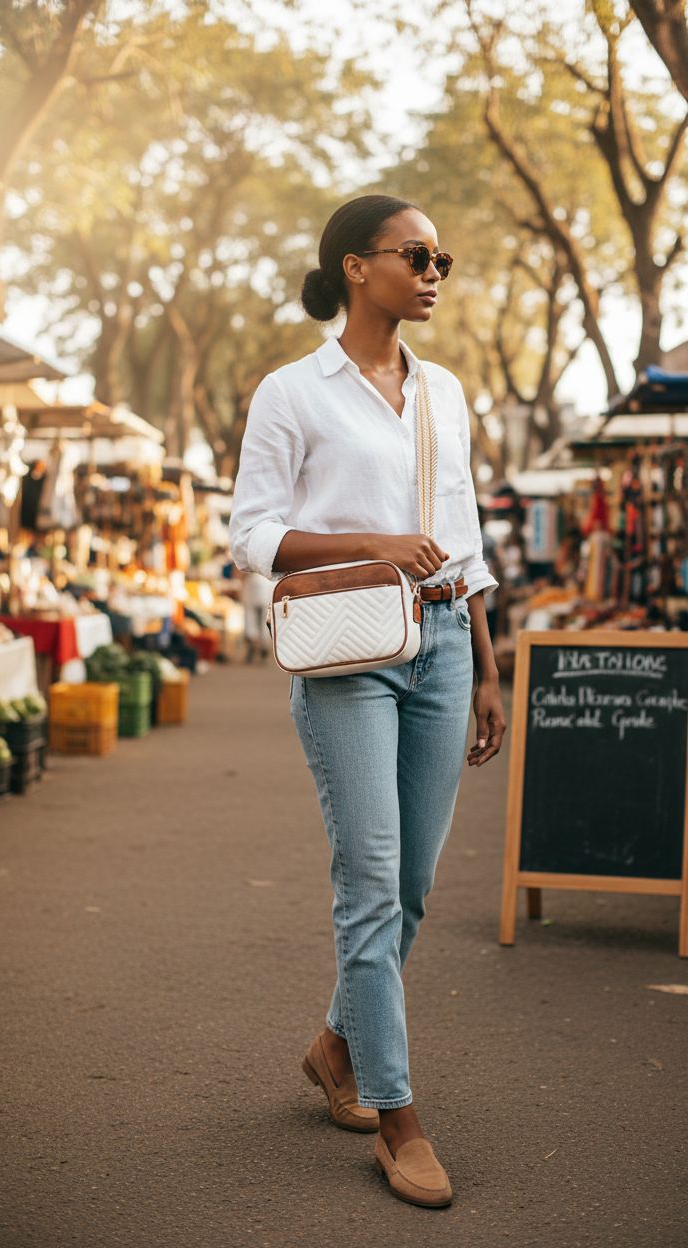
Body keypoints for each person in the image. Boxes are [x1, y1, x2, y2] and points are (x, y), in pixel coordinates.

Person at [229, 194, 506, 1209]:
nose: (434, 270)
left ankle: (333, 1047)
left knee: (417, 885)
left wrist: (484, 660)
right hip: (347, 645)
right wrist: (372, 544)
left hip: (439, 644)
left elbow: (464, 536)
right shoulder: (292, 392)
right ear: (357, 267)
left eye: (443, 256)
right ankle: (396, 1117)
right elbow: (251, 535)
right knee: (373, 878)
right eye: (417, 254)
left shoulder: (445, 396)